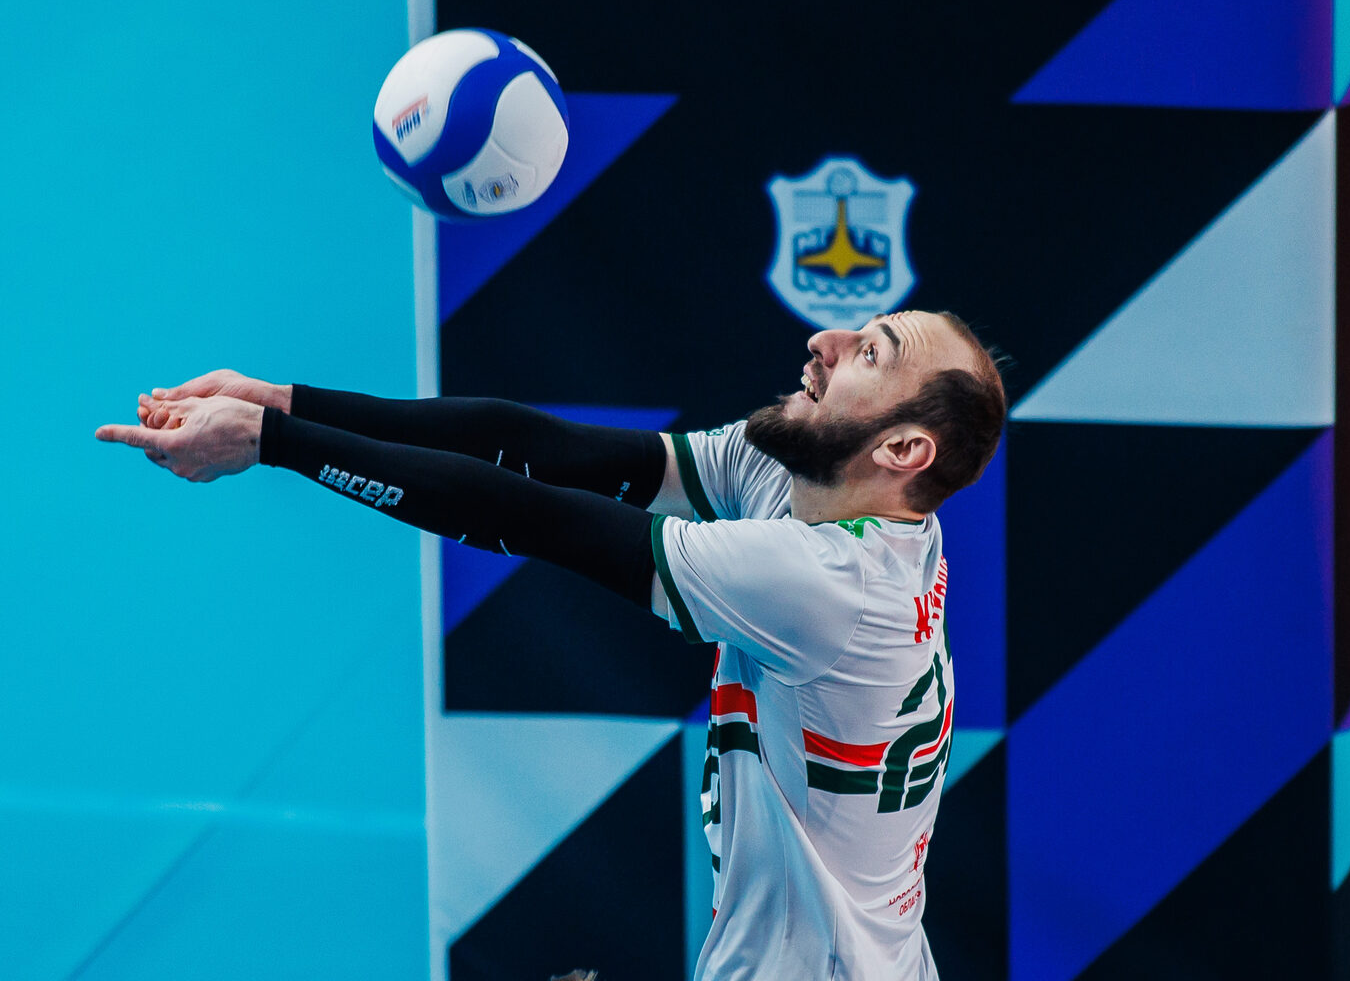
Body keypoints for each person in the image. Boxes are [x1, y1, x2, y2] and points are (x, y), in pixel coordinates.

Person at [95, 309, 1006, 981]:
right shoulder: (809, 486)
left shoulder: (829, 585)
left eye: (871, 353)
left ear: (903, 451)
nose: (826, 341)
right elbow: (535, 449)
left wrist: (274, 443)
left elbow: (520, 512)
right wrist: (282, 404)